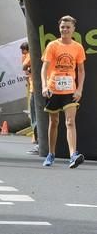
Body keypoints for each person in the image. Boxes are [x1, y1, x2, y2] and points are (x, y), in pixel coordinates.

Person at [40, 15, 85, 168]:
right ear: (59, 29)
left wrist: (79, 89)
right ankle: (51, 153)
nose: (65, 29)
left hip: (70, 90)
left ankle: (73, 155)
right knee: (54, 122)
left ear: (73, 29)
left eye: (68, 27)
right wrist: (44, 86)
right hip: (53, 89)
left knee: (70, 122)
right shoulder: (52, 45)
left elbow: (81, 70)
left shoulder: (77, 47)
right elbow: (44, 68)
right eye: (62, 27)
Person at [21, 41, 38, 154]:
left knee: (35, 117)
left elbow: (24, 66)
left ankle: (38, 142)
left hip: (34, 88)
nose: (23, 52)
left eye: (24, 50)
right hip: (46, 88)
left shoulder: (30, 55)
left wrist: (28, 69)